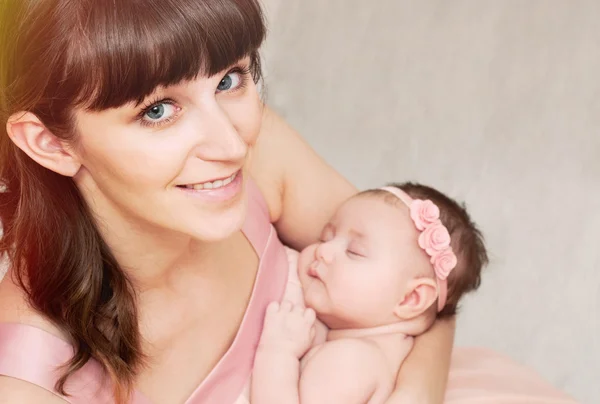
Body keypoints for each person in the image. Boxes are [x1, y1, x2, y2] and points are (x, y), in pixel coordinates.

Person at [0, 1, 453, 403]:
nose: (232, 145)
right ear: (52, 144)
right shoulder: (29, 379)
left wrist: (417, 389)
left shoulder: (260, 154)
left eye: (230, 79)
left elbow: (429, 278)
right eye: (157, 110)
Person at [252, 183, 487, 404]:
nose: (323, 250)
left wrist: (278, 352)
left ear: (410, 298)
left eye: (354, 252)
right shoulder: (389, 353)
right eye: (325, 237)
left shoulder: (351, 360)